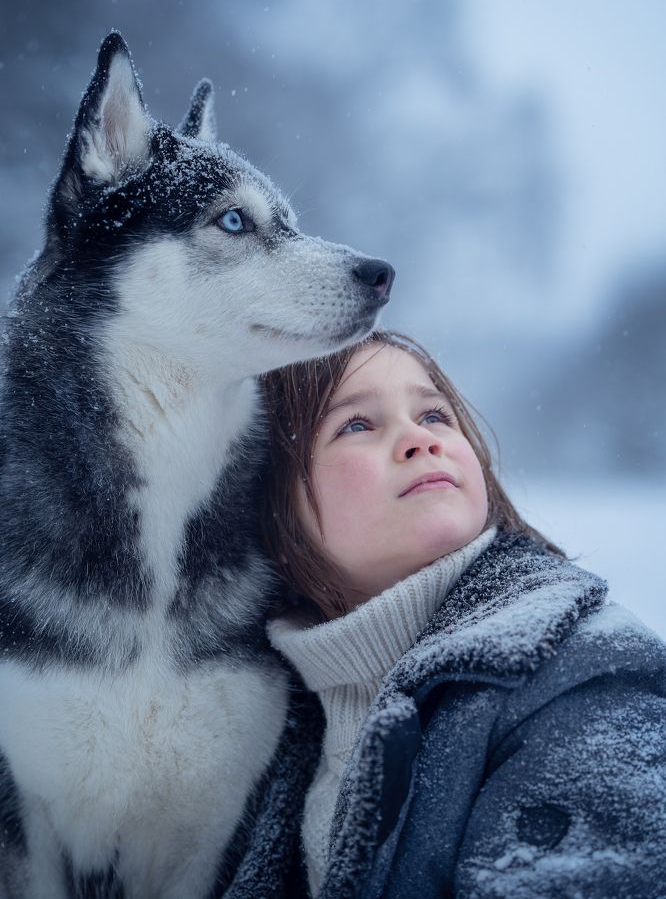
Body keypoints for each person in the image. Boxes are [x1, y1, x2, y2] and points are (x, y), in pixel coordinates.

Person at [221, 329, 666, 899]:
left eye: (435, 415)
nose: (417, 439)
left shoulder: (584, 674)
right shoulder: (266, 730)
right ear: (270, 506)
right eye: (357, 425)